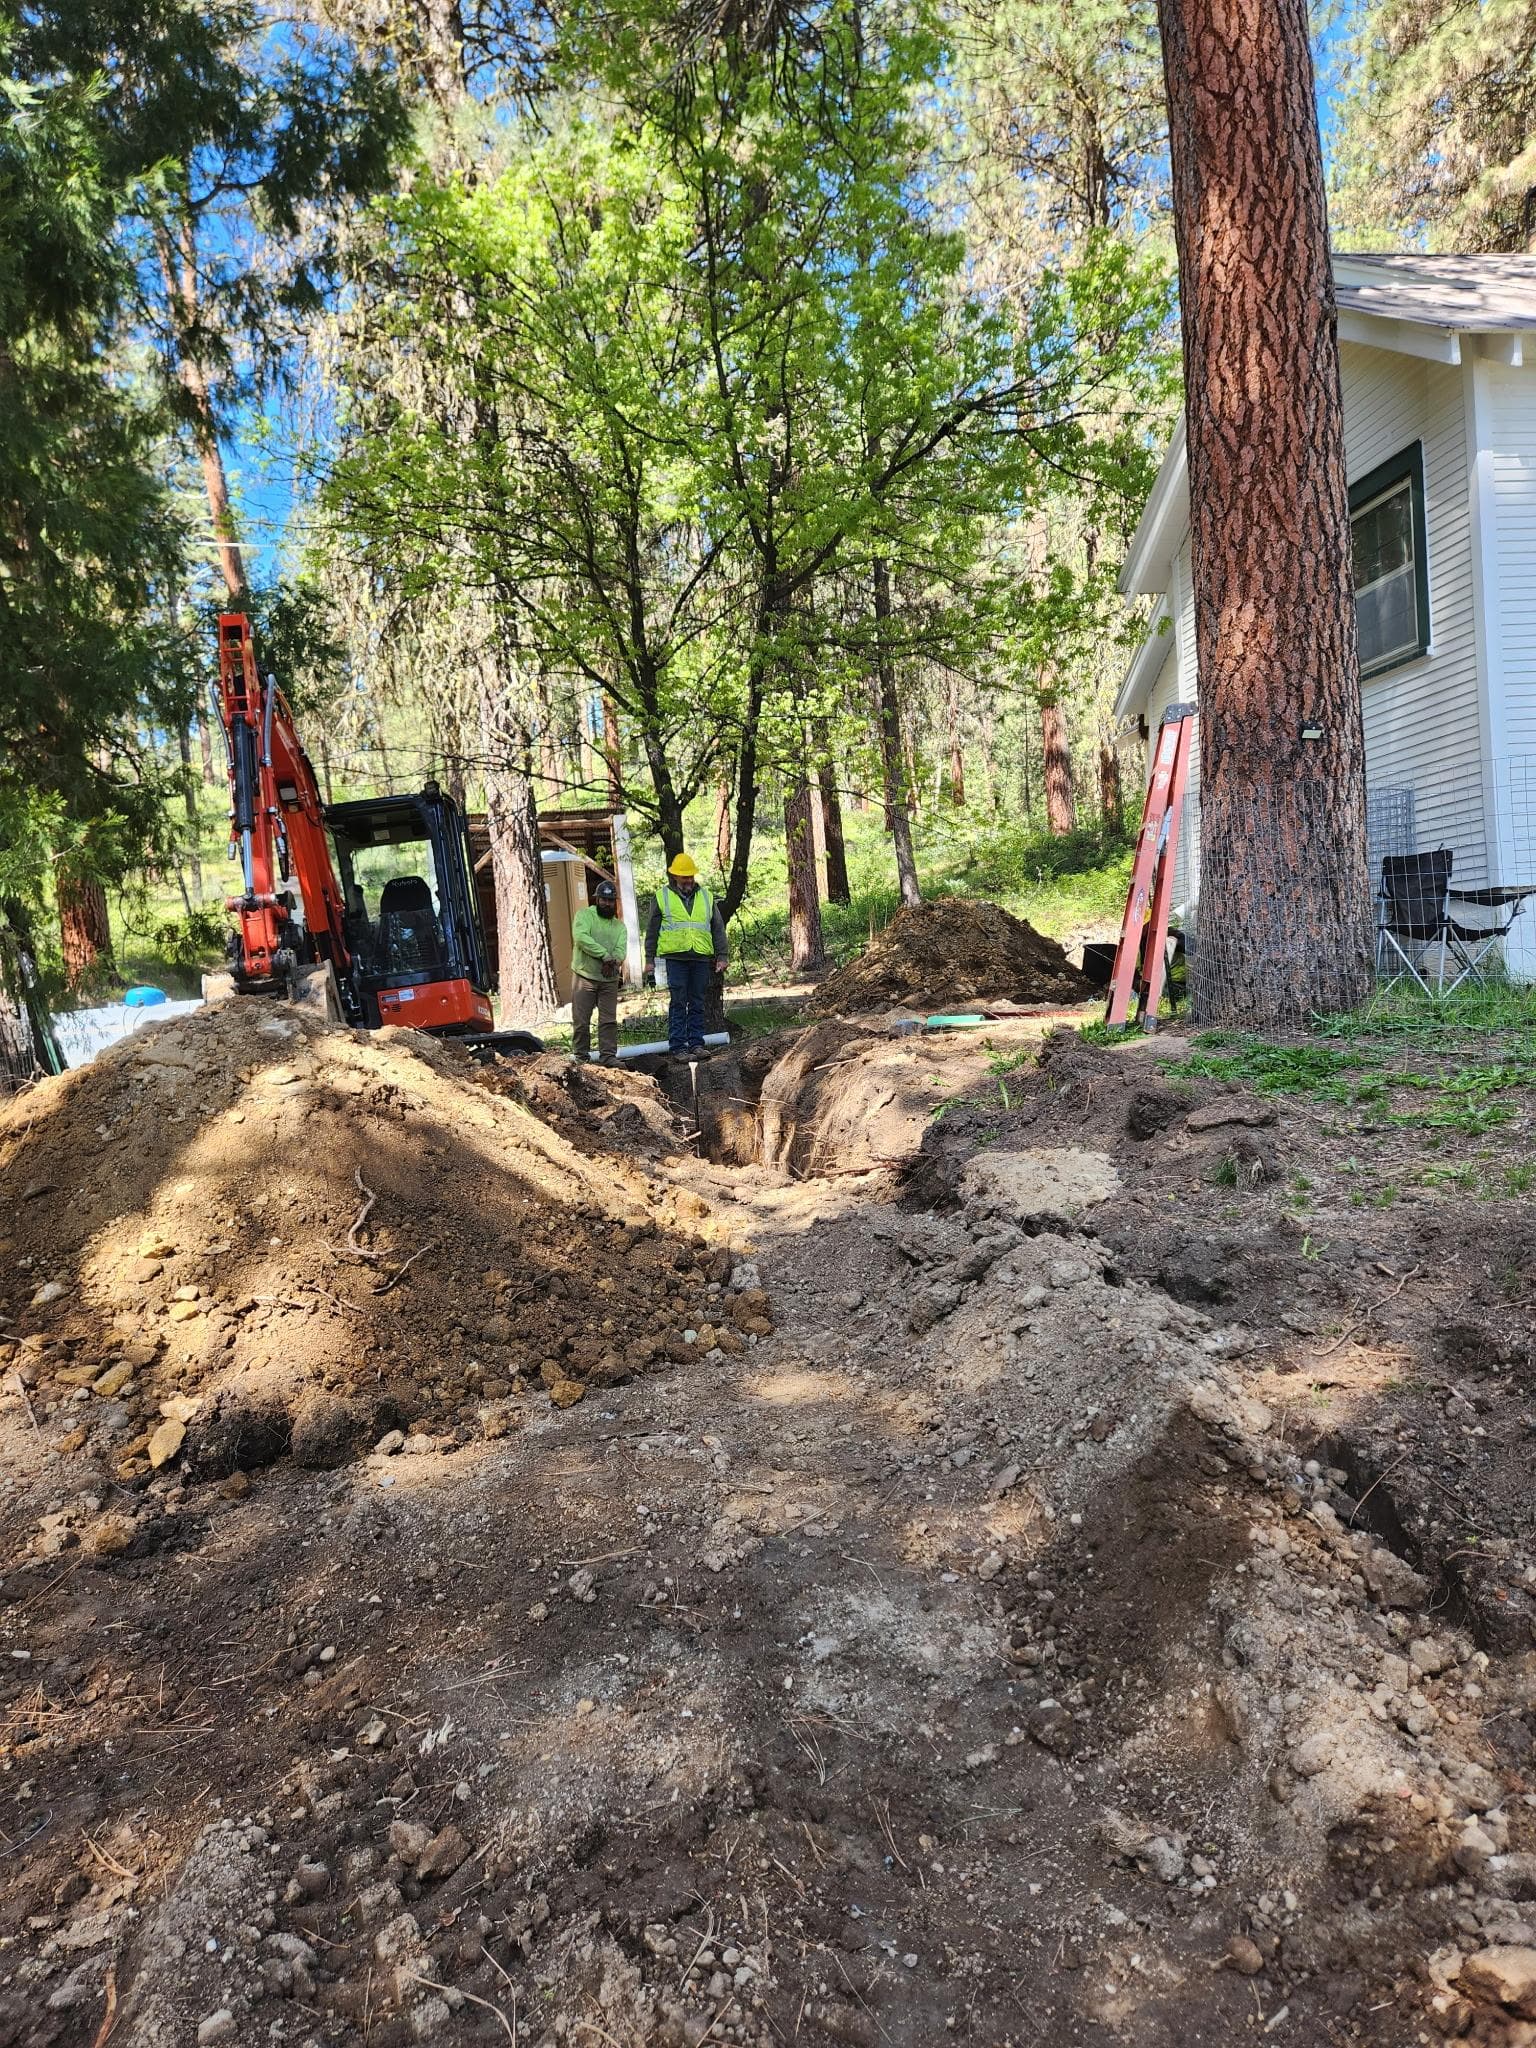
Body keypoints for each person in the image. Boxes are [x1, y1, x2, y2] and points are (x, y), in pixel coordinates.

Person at [643, 852, 728, 1058]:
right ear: (675, 877)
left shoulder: (706, 897)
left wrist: (722, 956)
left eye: (690, 876)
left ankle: (697, 1044)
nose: (688, 880)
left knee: (697, 1001)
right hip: (676, 959)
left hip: (700, 957)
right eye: (684, 877)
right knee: (679, 1002)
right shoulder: (662, 896)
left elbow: (717, 927)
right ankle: (678, 1047)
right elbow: (652, 930)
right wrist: (649, 959)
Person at [570, 877, 628, 1063]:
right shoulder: (584, 916)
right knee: (581, 1021)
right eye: (604, 899)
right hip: (584, 976)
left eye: (611, 900)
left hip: (609, 979)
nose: (607, 903)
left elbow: (621, 949)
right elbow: (581, 938)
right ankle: (581, 1058)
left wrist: (614, 961)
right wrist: (604, 955)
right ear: (597, 899)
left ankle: (608, 1057)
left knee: (608, 1021)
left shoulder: (619, 926)